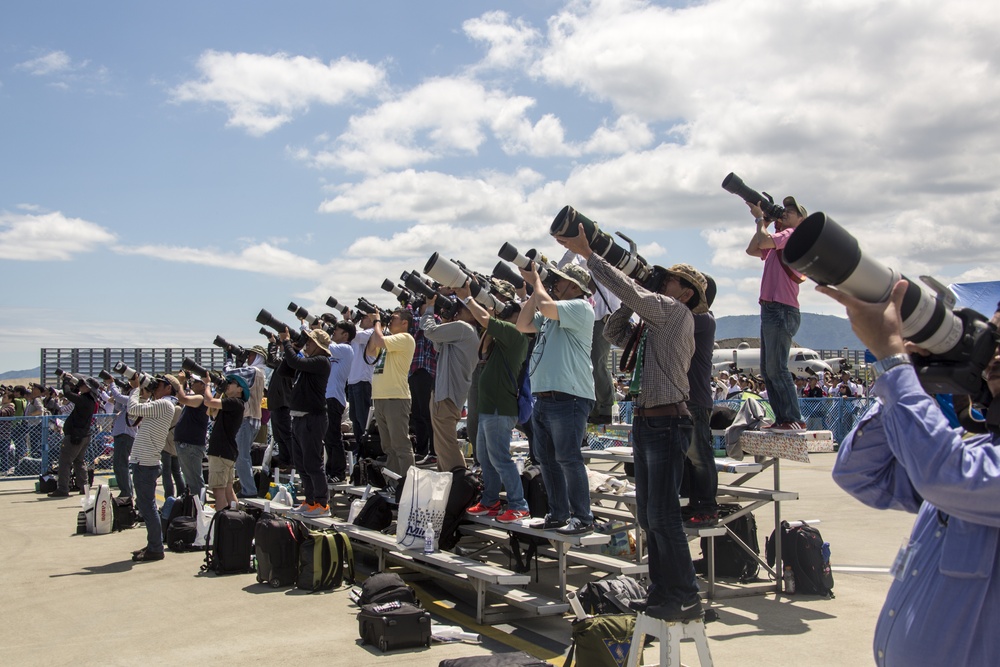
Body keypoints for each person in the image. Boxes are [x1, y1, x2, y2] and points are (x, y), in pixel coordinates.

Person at [826, 281, 1000, 666]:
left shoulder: (962, 467)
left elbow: (947, 476)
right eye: (994, 340)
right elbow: (860, 474)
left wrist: (893, 364)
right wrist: (914, 374)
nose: (994, 356)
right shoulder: (974, 450)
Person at [558, 223, 707, 621]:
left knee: (662, 515)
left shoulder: (674, 313)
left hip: (665, 422)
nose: (662, 282)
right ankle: (663, 592)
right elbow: (612, 329)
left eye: (670, 280)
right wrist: (633, 301)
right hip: (649, 422)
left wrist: (591, 255)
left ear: (687, 293)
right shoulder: (655, 320)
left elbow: (629, 291)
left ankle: (686, 593)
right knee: (648, 515)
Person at [516, 260, 595, 535]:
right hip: (546, 397)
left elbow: (547, 307)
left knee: (568, 458)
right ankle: (558, 513)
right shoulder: (555, 312)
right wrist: (532, 287)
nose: (554, 284)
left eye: (559, 281)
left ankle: (583, 517)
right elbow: (522, 324)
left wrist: (537, 280)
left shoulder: (581, 307)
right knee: (546, 459)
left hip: (569, 396)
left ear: (574, 286)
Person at [458, 281, 531, 523]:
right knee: (485, 456)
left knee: (499, 457)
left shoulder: (516, 335)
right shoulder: (502, 338)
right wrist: (490, 322)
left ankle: (519, 504)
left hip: (500, 407)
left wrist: (469, 299)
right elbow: (482, 350)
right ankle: (490, 500)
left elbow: (486, 323)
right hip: (489, 408)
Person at [744, 195, 808, 431]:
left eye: (791, 212)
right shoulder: (779, 242)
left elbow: (764, 242)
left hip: (781, 307)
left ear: (801, 220)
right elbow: (753, 248)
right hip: (773, 307)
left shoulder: (792, 236)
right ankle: (783, 418)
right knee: (768, 369)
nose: (785, 213)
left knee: (776, 367)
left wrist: (762, 219)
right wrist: (764, 222)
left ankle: (792, 417)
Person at [420, 294, 480, 472]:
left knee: (446, 444)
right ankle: (451, 481)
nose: (456, 313)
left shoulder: (463, 328)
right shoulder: (468, 333)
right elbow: (438, 345)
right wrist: (445, 321)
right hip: (450, 394)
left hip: (446, 394)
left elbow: (429, 332)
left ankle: (458, 481)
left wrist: (430, 308)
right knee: (443, 444)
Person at [278, 327, 332, 518]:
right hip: (300, 417)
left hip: (313, 418)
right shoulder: (308, 362)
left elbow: (293, 360)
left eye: (309, 342)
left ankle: (322, 504)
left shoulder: (322, 361)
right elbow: (285, 369)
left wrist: (286, 343)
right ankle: (310, 501)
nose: (307, 344)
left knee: (312, 463)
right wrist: (296, 345)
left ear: (318, 345)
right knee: (301, 464)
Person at [127, 374, 180, 562]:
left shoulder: (165, 404)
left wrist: (135, 389)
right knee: (146, 506)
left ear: (169, 389)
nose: (157, 386)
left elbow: (132, 409)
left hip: (146, 463)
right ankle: (153, 544)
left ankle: (156, 547)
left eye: (161, 384)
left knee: (147, 507)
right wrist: (144, 394)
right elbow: (135, 414)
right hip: (145, 461)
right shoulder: (162, 405)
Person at [684, 274, 719, 525]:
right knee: (687, 457)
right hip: (684, 397)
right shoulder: (693, 319)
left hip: (694, 398)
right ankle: (693, 502)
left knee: (699, 457)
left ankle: (708, 505)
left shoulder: (703, 320)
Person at [367, 307, 417, 478]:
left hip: (396, 397)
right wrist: (377, 325)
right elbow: (370, 351)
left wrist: (377, 322)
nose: (391, 320)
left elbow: (379, 342)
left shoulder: (406, 338)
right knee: (388, 446)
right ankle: (394, 482)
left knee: (400, 444)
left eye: (394, 318)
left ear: (404, 322)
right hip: (380, 397)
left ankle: (407, 483)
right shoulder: (389, 339)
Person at [202, 373, 248, 511]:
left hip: (220, 452)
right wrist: (219, 391)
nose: (228, 384)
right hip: (226, 452)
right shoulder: (234, 405)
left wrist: (207, 384)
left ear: (240, 389)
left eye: (231, 382)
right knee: (228, 490)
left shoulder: (235, 402)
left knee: (219, 492)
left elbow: (207, 402)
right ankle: (234, 521)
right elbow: (210, 411)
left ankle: (221, 524)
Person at [48, 375, 99, 498]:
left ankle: (63, 488)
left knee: (65, 462)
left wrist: (65, 381)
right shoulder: (90, 399)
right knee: (79, 462)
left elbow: (68, 394)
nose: (80, 386)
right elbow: (74, 394)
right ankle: (84, 487)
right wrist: (75, 385)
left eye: (83, 385)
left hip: (75, 436)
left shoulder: (84, 400)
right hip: (83, 435)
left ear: (88, 388)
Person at [233, 344, 268, 498]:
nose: (247, 357)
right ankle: (248, 488)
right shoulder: (260, 372)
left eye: (250, 355)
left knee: (242, 456)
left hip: (247, 418)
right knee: (243, 455)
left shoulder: (253, 371)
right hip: (253, 418)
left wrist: (231, 359)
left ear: (258, 357)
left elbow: (230, 374)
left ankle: (249, 490)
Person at [324, 320, 356, 484]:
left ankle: (339, 473)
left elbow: (325, 345)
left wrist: (320, 330)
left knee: (333, 437)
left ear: (346, 335)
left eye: (336, 330)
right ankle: (330, 471)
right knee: (327, 437)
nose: (333, 332)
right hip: (327, 396)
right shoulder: (335, 352)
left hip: (335, 397)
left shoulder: (346, 349)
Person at [173, 372, 211, 498]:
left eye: (194, 382)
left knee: (194, 480)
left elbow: (182, 399)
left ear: (202, 385)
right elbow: (183, 398)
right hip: (188, 445)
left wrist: (180, 382)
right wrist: (183, 383)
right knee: (191, 479)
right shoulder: (199, 398)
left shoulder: (201, 398)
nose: (192, 383)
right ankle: (195, 506)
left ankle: (198, 507)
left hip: (190, 445)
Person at [408, 308, 438, 464]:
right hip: (413, 370)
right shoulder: (413, 320)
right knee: (417, 414)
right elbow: (410, 324)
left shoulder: (435, 319)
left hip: (427, 369)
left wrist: (428, 308)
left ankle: (434, 452)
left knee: (428, 414)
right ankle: (421, 451)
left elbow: (428, 330)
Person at [346, 310, 376, 447]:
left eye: (364, 317)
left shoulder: (371, 333)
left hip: (363, 381)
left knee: (363, 418)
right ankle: (360, 448)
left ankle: (367, 448)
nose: (362, 320)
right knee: (354, 418)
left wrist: (349, 322)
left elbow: (353, 335)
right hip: (353, 381)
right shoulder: (359, 335)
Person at [106, 379, 139, 497]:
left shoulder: (135, 400)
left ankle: (126, 492)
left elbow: (118, 397)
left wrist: (112, 383)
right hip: (122, 435)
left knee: (120, 465)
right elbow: (119, 406)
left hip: (125, 436)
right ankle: (127, 491)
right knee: (120, 465)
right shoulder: (129, 402)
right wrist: (124, 390)